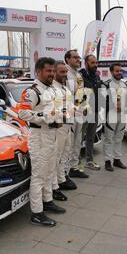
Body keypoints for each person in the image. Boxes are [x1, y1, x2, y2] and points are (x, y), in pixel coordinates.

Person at [19, 57, 66, 227]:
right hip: (38, 136)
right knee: (39, 175)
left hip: (52, 134)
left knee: (50, 170)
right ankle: (37, 213)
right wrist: (45, 117)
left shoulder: (51, 90)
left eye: (53, 71)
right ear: (38, 72)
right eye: (48, 71)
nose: (51, 74)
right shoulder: (32, 92)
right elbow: (22, 114)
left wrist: (59, 117)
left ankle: (48, 201)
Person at [51, 61, 77, 201]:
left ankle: (61, 179)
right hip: (58, 127)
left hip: (68, 125)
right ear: (54, 72)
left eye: (65, 72)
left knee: (65, 154)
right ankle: (53, 186)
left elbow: (70, 106)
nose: (64, 74)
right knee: (56, 156)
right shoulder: (52, 89)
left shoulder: (65, 88)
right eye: (61, 72)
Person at [65, 49, 89, 178]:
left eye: (79, 58)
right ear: (67, 59)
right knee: (69, 142)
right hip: (69, 112)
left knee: (78, 141)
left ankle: (74, 167)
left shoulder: (79, 75)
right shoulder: (65, 74)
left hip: (79, 111)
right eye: (75, 57)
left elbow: (81, 93)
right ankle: (66, 170)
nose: (78, 60)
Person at [103, 63, 127, 171]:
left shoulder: (125, 84)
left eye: (120, 71)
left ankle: (117, 159)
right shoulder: (106, 84)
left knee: (119, 138)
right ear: (111, 72)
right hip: (111, 115)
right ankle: (107, 161)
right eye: (117, 71)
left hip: (123, 115)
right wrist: (113, 106)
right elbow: (101, 101)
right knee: (109, 139)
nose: (119, 73)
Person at [79, 55, 103, 171]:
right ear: (86, 63)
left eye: (96, 63)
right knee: (79, 139)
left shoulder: (97, 77)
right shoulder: (80, 76)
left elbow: (100, 93)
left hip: (95, 112)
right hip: (84, 113)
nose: (95, 65)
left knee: (90, 138)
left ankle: (89, 161)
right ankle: (76, 163)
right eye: (92, 63)